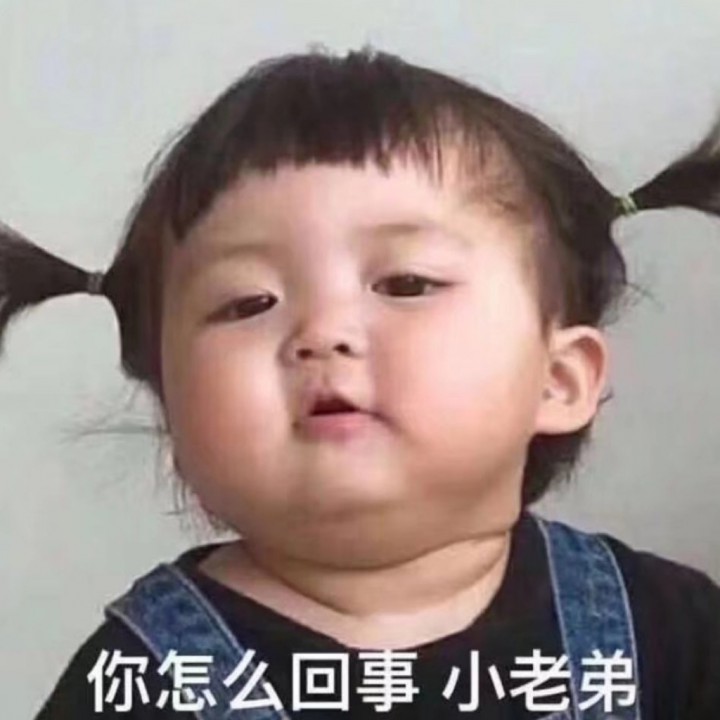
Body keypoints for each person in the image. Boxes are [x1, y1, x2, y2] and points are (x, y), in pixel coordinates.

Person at [3, 47, 719, 719]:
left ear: (557, 381)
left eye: (405, 283)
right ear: (173, 417)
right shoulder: (139, 681)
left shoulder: (671, 634)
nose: (322, 332)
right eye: (248, 303)